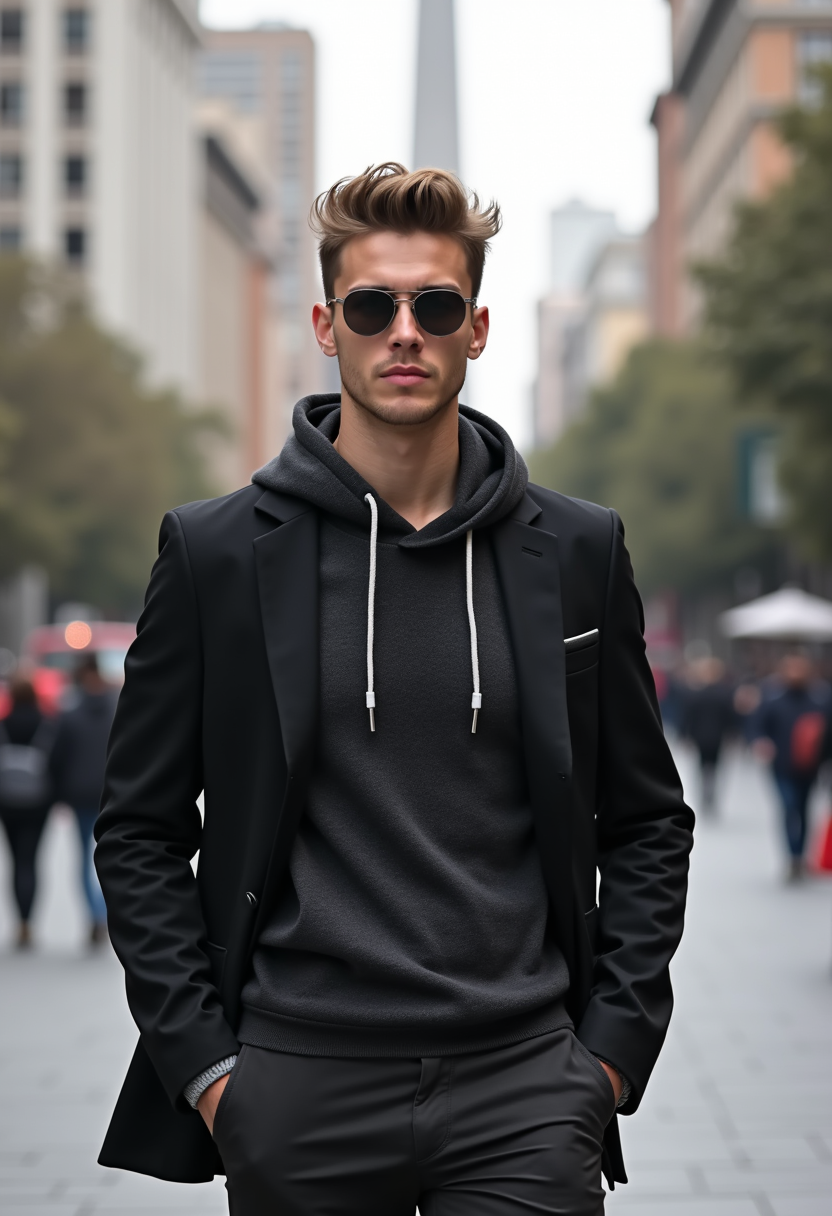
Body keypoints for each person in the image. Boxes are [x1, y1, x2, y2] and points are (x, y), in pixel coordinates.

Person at [95, 164, 694, 1214]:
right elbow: (139, 828)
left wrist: (605, 1057)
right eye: (373, 306)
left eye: (436, 305)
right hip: (296, 1085)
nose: (404, 331)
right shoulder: (216, 553)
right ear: (329, 326)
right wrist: (213, 1075)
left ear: (478, 328)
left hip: (525, 1090)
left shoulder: (581, 549)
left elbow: (645, 819)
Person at [50, 654, 114, 944]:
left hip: (79, 794)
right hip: (111, 793)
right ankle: (104, 912)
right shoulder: (118, 710)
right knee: (110, 857)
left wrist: (58, 793)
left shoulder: (69, 713)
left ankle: (95, 914)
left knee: (83, 860)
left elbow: (57, 758)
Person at [753, 651, 831, 881]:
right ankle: (792, 856)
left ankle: (800, 855)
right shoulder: (773, 698)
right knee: (789, 807)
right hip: (782, 765)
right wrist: (761, 742)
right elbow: (757, 725)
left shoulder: (820, 699)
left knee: (804, 809)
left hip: (809, 766)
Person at [0, 676, 54, 948]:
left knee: (14, 861)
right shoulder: (46, 724)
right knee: (30, 860)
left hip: (8, 802)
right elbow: (56, 763)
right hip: (37, 802)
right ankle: (28, 921)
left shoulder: (3, 725)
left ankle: (19, 922)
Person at [680, 656, 736, 812]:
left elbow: (687, 717)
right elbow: (731, 718)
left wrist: (684, 735)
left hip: (703, 736)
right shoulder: (724, 693)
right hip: (713, 736)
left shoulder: (696, 694)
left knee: (704, 767)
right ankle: (708, 795)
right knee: (712, 768)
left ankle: (707, 795)